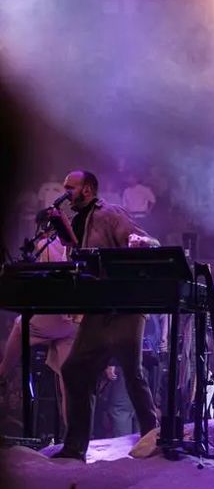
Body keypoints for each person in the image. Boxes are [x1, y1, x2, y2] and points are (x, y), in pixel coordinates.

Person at [49, 170, 160, 461]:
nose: (65, 192)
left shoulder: (110, 213)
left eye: (70, 187)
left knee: (133, 372)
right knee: (74, 369)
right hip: (98, 309)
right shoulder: (77, 221)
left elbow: (144, 240)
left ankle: (153, 437)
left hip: (125, 306)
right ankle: (75, 447)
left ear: (87, 190)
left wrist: (140, 243)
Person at [0, 210, 78, 428]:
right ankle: (73, 435)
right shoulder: (72, 244)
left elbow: (44, 279)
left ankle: (3, 371)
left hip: (57, 314)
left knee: (21, 324)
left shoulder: (47, 244)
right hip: (73, 319)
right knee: (67, 380)